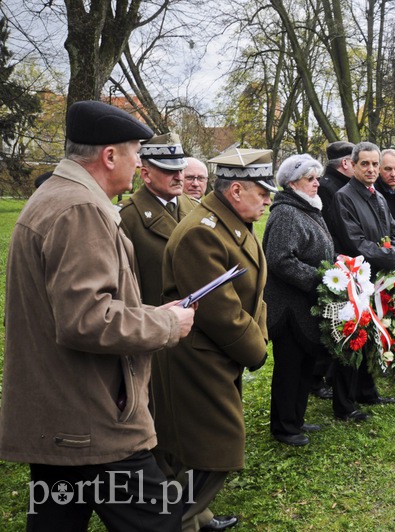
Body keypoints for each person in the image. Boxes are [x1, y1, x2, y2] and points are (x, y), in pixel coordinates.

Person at [0, 100, 195, 531]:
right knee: (160, 521)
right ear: (110, 156)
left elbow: (77, 307)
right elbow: (86, 319)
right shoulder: (79, 209)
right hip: (96, 421)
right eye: (135, 153)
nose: (139, 163)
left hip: (64, 413)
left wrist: (146, 311)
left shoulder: (59, 197)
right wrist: (166, 324)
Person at [156, 149, 275, 532]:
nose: (268, 199)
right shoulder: (201, 232)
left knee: (200, 447)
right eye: (263, 192)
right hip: (198, 358)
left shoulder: (228, 222)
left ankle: (192, 517)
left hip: (216, 357)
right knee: (217, 449)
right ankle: (175, 520)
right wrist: (257, 349)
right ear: (236, 190)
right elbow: (220, 312)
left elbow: (252, 294)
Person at [263, 154, 334, 446]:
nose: (317, 183)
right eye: (310, 178)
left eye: (317, 177)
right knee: (290, 367)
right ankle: (284, 427)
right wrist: (319, 278)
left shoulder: (307, 208)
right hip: (289, 309)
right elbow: (279, 259)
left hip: (304, 306)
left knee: (304, 365)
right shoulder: (286, 213)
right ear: (293, 183)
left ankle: (297, 418)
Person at [332, 141, 395, 420]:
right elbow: (355, 241)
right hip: (354, 277)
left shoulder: (378, 195)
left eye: (375, 164)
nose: (372, 169)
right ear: (353, 165)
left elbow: (393, 229)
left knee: (371, 335)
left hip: (376, 277)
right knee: (352, 338)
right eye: (366, 164)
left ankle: (366, 391)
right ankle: (344, 405)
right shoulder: (344, 196)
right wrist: (389, 256)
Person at [119, 132, 197, 306]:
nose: (179, 176)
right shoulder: (126, 217)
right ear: (146, 175)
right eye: (169, 170)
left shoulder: (195, 208)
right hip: (155, 320)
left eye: (181, 169)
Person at [313, 140, 355, 399]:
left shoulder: (335, 185)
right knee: (329, 322)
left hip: (341, 261)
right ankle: (318, 380)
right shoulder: (330, 188)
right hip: (335, 263)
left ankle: (326, 375)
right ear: (346, 163)